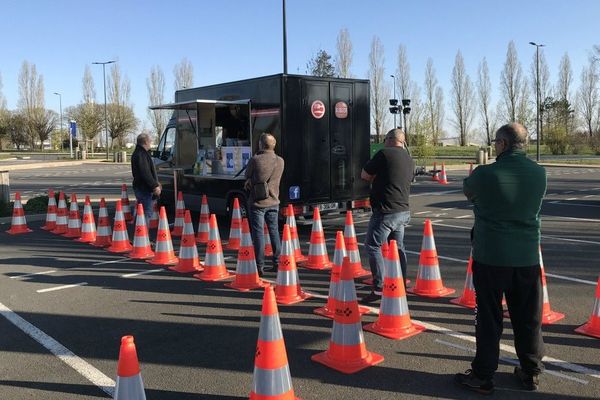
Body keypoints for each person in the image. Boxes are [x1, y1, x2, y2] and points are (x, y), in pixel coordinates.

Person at [455, 123, 547, 394]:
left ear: (503, 144)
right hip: (527, 256)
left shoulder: (486, 174)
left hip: (491, 255)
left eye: (496, 142)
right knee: (528, 318)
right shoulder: (539, 173)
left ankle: (483, 375)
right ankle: (530, 371)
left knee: (488, 318)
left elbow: (468, 190)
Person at [360, 128, 414, 304]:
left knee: (373, 245)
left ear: (389, 139)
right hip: (403, 210)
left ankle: (379, 287)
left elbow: (365, 175)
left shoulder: (383, 154)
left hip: (385, 210)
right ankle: (400, 284)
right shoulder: (408, 158)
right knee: (398, 247)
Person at [244, 133, 285, 276]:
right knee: (274, 231)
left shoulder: (255, 159)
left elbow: (247, 175)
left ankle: (259, 265)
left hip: (258, 202)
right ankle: (277, 262)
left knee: (258, 234)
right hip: (274, 201)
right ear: (274, 145)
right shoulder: (280, 161)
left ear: (261, 145)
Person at [131, 133, 161, 227]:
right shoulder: (141, 154)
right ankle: (142, 238)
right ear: (146, 142)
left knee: (141, 213)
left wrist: (156, 183)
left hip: (141, 187)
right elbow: (145, 173)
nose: (150, 143)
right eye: (150, 141)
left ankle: (138, 236)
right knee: (146, 214)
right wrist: (154, 186)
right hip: (144, 189)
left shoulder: (140, 153)